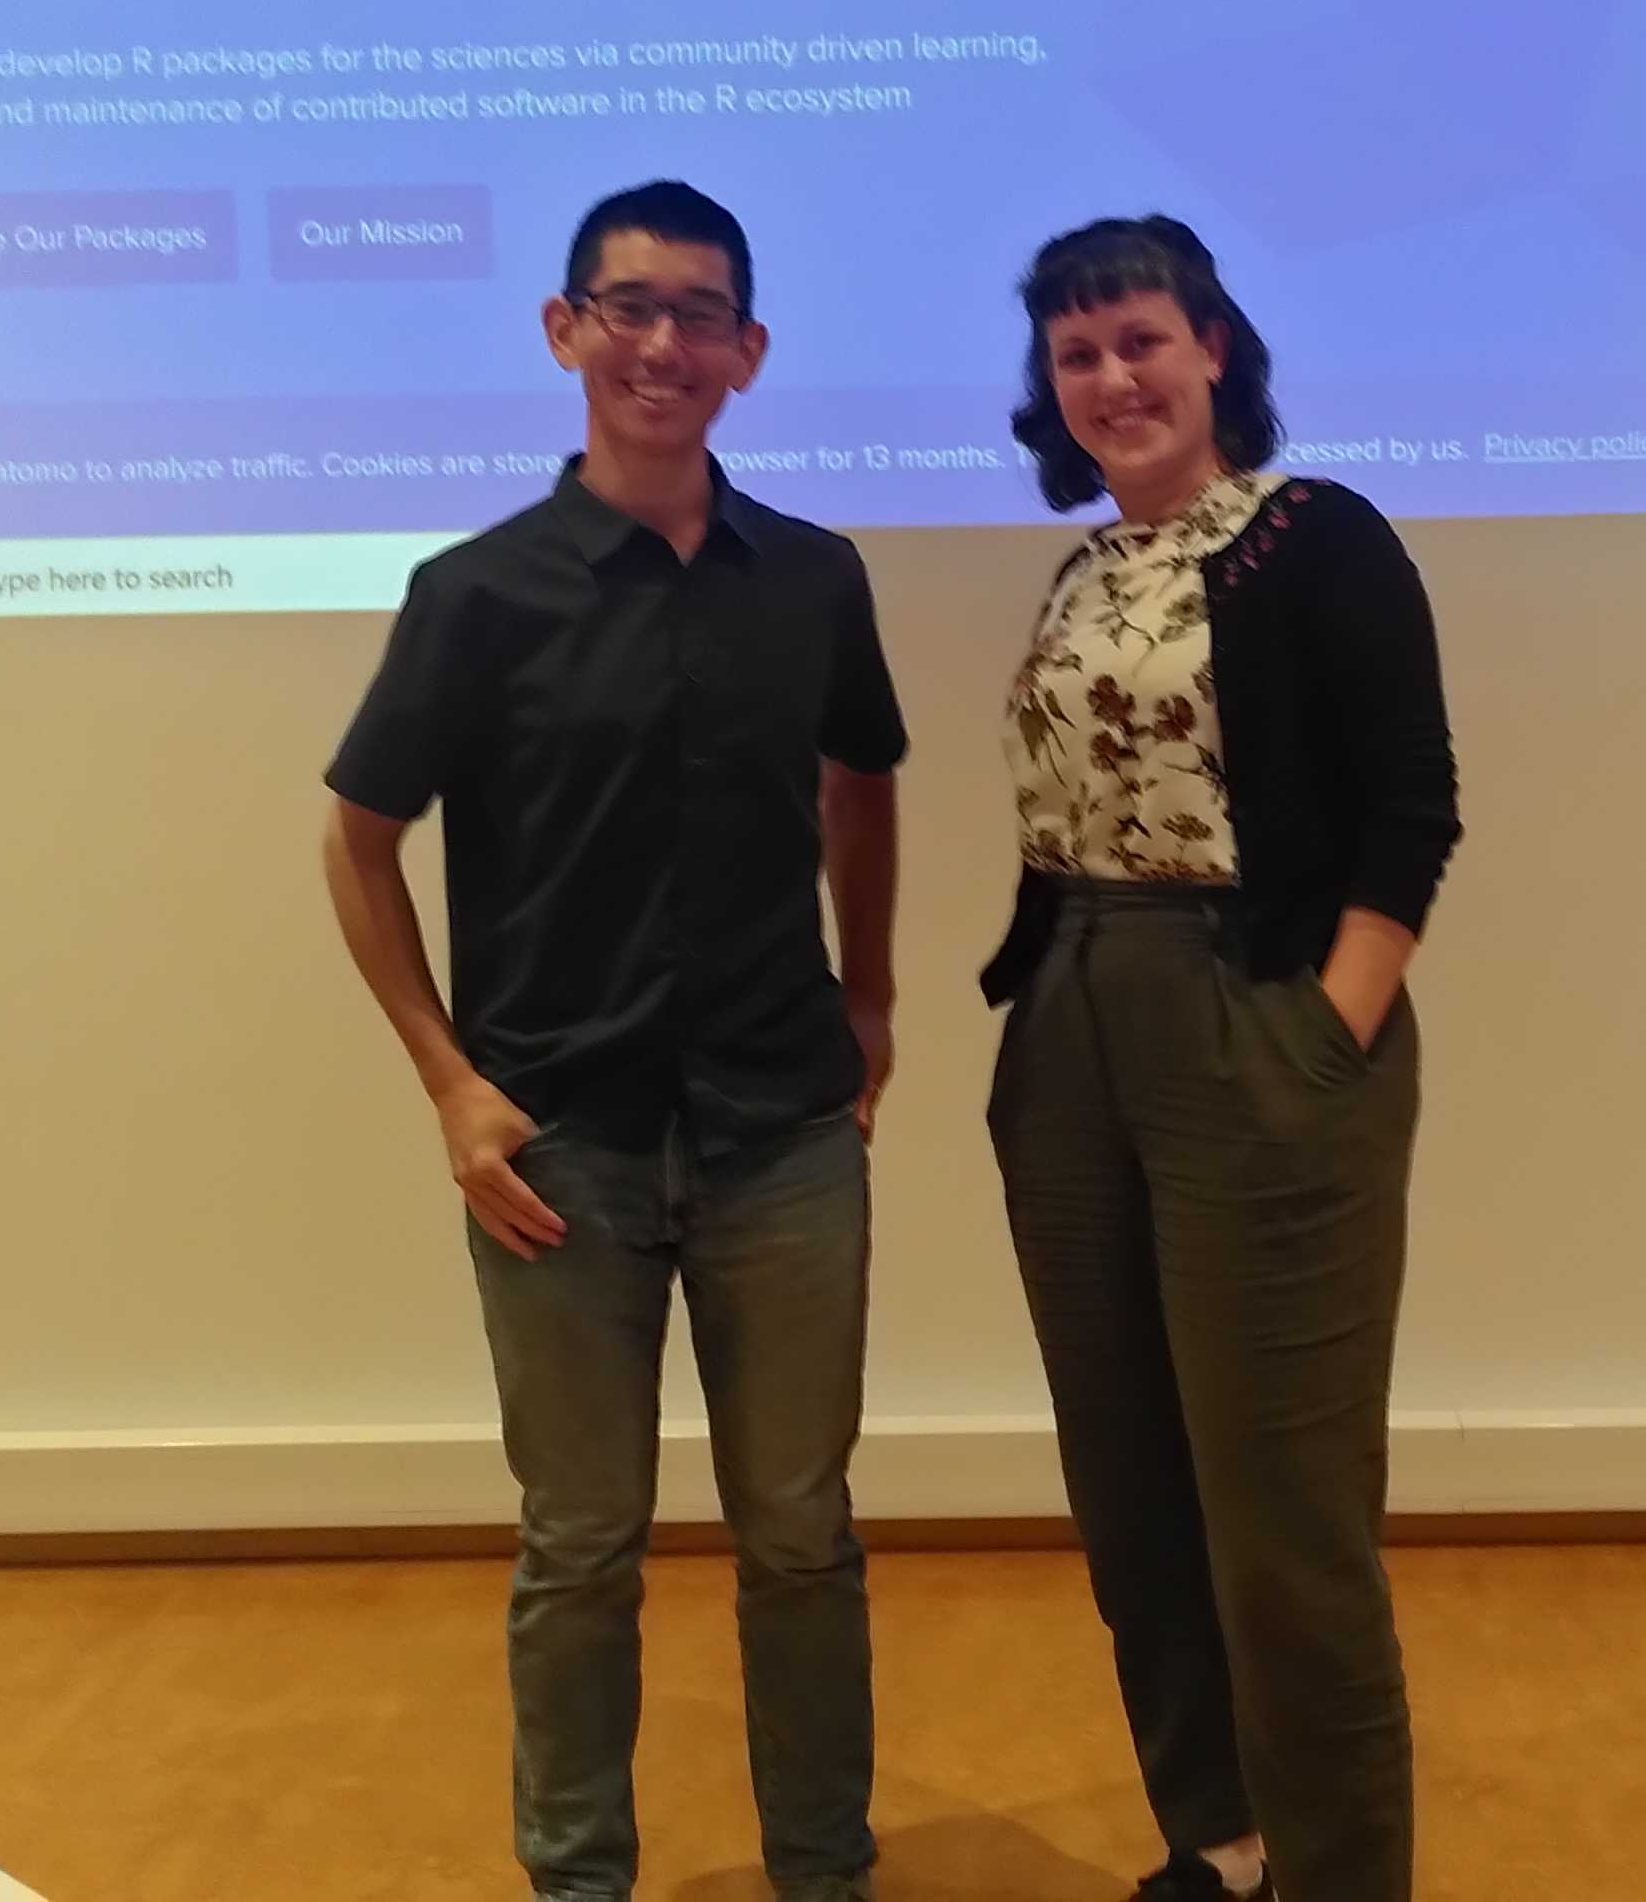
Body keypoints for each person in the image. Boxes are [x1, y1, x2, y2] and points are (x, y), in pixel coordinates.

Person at [321, 181, 905, 1902]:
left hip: (784, 1134)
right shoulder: (474, 594)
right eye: (629, 306)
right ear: (565, 328)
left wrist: (868, 996)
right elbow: (360, 840)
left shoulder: (812, 578)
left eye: (700, 313)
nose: (665, 343)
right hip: (558, 1147)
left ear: (750, 352)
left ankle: (825, 1873)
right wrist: (450, 1084)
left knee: (803, 1539)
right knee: (580, 1549)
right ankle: (579, 1882)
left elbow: (862, 785)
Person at [980, 216, 1461, 1902]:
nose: (1112, 378)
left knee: (1284, 1524)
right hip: (1074, 1026)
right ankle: (1228, 1844)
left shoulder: (1316, 539)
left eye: (1139, 341)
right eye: (1077, 354)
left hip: (1254, 1018)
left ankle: (1339, 1879)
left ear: (1215, 351)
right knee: (1133, 1491)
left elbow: (1412, 809)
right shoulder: (1083, 570)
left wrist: (1327, 1030)